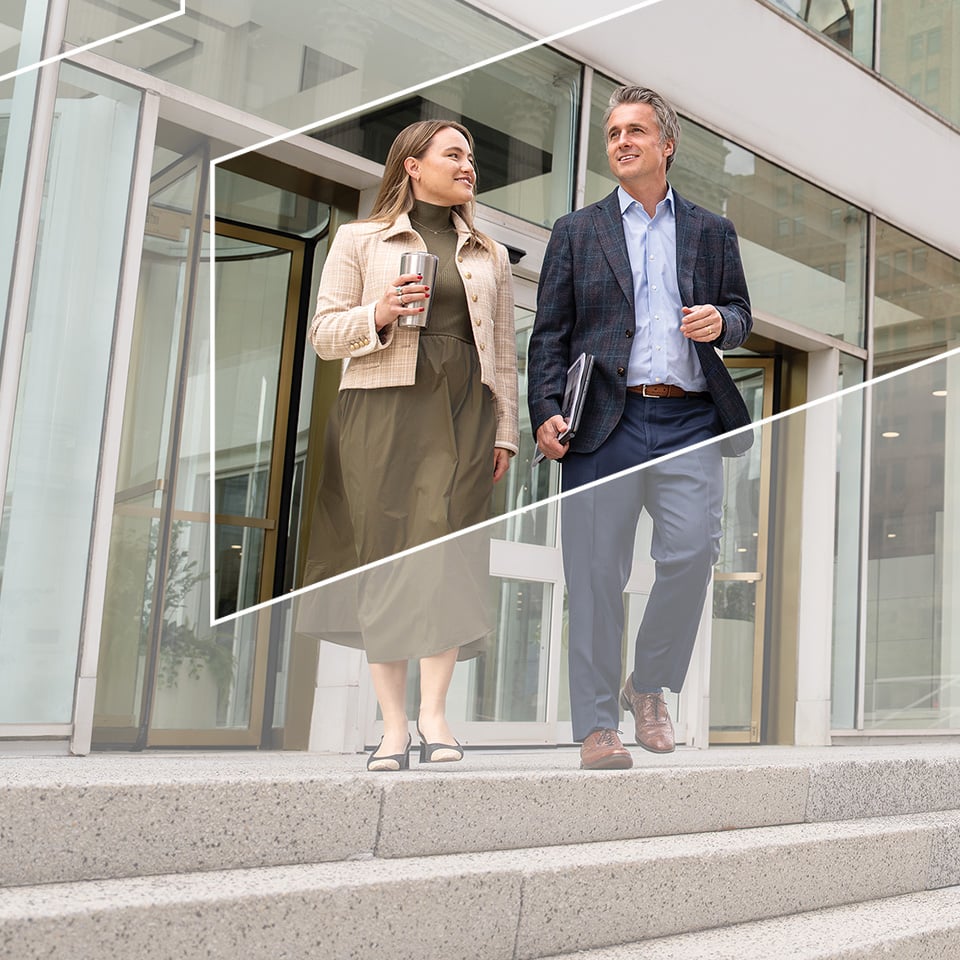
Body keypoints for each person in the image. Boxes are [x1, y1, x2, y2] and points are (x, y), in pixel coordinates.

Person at [527, 85, 753, 770]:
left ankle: (646, 685)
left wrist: (723, 323)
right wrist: (544, 410)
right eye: (612, 132)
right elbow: (549, 335)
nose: (621, 141)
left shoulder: (712, 231)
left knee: (690, 556)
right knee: (594, 574)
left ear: (667, 143)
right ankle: (599, 724)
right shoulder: (576, 231)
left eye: (635, 130)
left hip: (688, 418)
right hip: (603, 421)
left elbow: (742, 313)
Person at [309, 120, 519, 771]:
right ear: (412, 166)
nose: (468, 166)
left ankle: (435, 716)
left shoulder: (488, 252)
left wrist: (506, 430)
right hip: (382, 405)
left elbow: (505, 355)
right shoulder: (358, 240)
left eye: (472, 157)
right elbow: (323, 333)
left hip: (463, 409)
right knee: (388, 555)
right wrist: (379, 312)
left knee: (446, 556)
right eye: (454, 154)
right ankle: (393, 729)